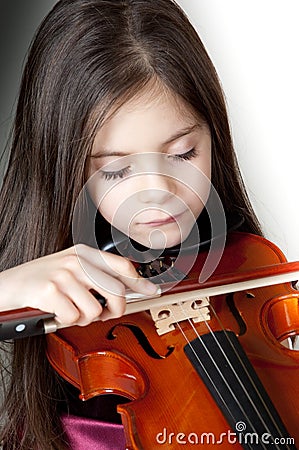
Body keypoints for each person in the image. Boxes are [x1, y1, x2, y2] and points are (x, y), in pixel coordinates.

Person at [0, 0, 262, 448]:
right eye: (117, 170)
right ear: (63, 167)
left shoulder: (254, 276)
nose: (159, 190)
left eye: (183, 154)